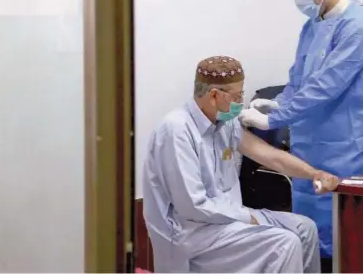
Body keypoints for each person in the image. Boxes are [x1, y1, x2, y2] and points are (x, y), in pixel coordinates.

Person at [238, 0, 363, 269]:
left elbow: (327, 85)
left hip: (352, 149)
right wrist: (280, 101)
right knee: (311, 231)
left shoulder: (357, 28)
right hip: (311, 147)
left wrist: (273, 119)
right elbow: (300, 77)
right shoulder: (315, 24)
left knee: (349, 236)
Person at [142, 55, 340, 273]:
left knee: (305, 229)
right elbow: (193, 207)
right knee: (284, 244)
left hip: (227, 220)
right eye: (237, 96)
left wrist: (314, 174)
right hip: (191, 234)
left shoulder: (224, 123)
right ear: (214, 95)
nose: (240, 103)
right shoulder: (177, 131)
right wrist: (249, 217)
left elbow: (269, 155)